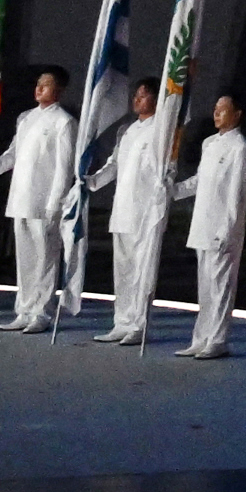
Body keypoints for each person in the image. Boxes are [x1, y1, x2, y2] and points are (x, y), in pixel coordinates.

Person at [97, 79, 178, 347]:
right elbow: (113, 166)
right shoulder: (128, 130)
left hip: (146, 213)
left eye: (143, 96)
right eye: (136, 95)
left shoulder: (162, 131)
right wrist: (89, 182)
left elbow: (169, 169)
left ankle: (138, 325)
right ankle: (121, 322)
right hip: (122, 211)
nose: (136, 100)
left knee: (143, 273)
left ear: (156, 99)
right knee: (123, 272)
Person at [1, 66, 79, 330]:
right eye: (38, 84)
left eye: (45, 85)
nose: (39, 89)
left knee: (45, 258)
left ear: (58, 90)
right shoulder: (25, 118)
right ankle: (23, 310)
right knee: (25, 260)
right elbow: (13, 154)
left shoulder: (64, 122)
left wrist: (55, 203)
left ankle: (41, 313)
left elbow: (64, 167)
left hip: (45, 201)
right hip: (20, 197)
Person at [183, 94, 246, 360]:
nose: (217, 114)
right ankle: (200, 338)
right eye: (215, 110)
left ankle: (218, 339)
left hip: (223, 229)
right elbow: (199, 181)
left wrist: (228, 229)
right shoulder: (209, 144)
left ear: (237, 115)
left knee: (221, 286)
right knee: (204, 288)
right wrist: (172, 190)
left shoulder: (241, 149)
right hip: (202, 225)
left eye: (223, 110)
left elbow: (239, 194)